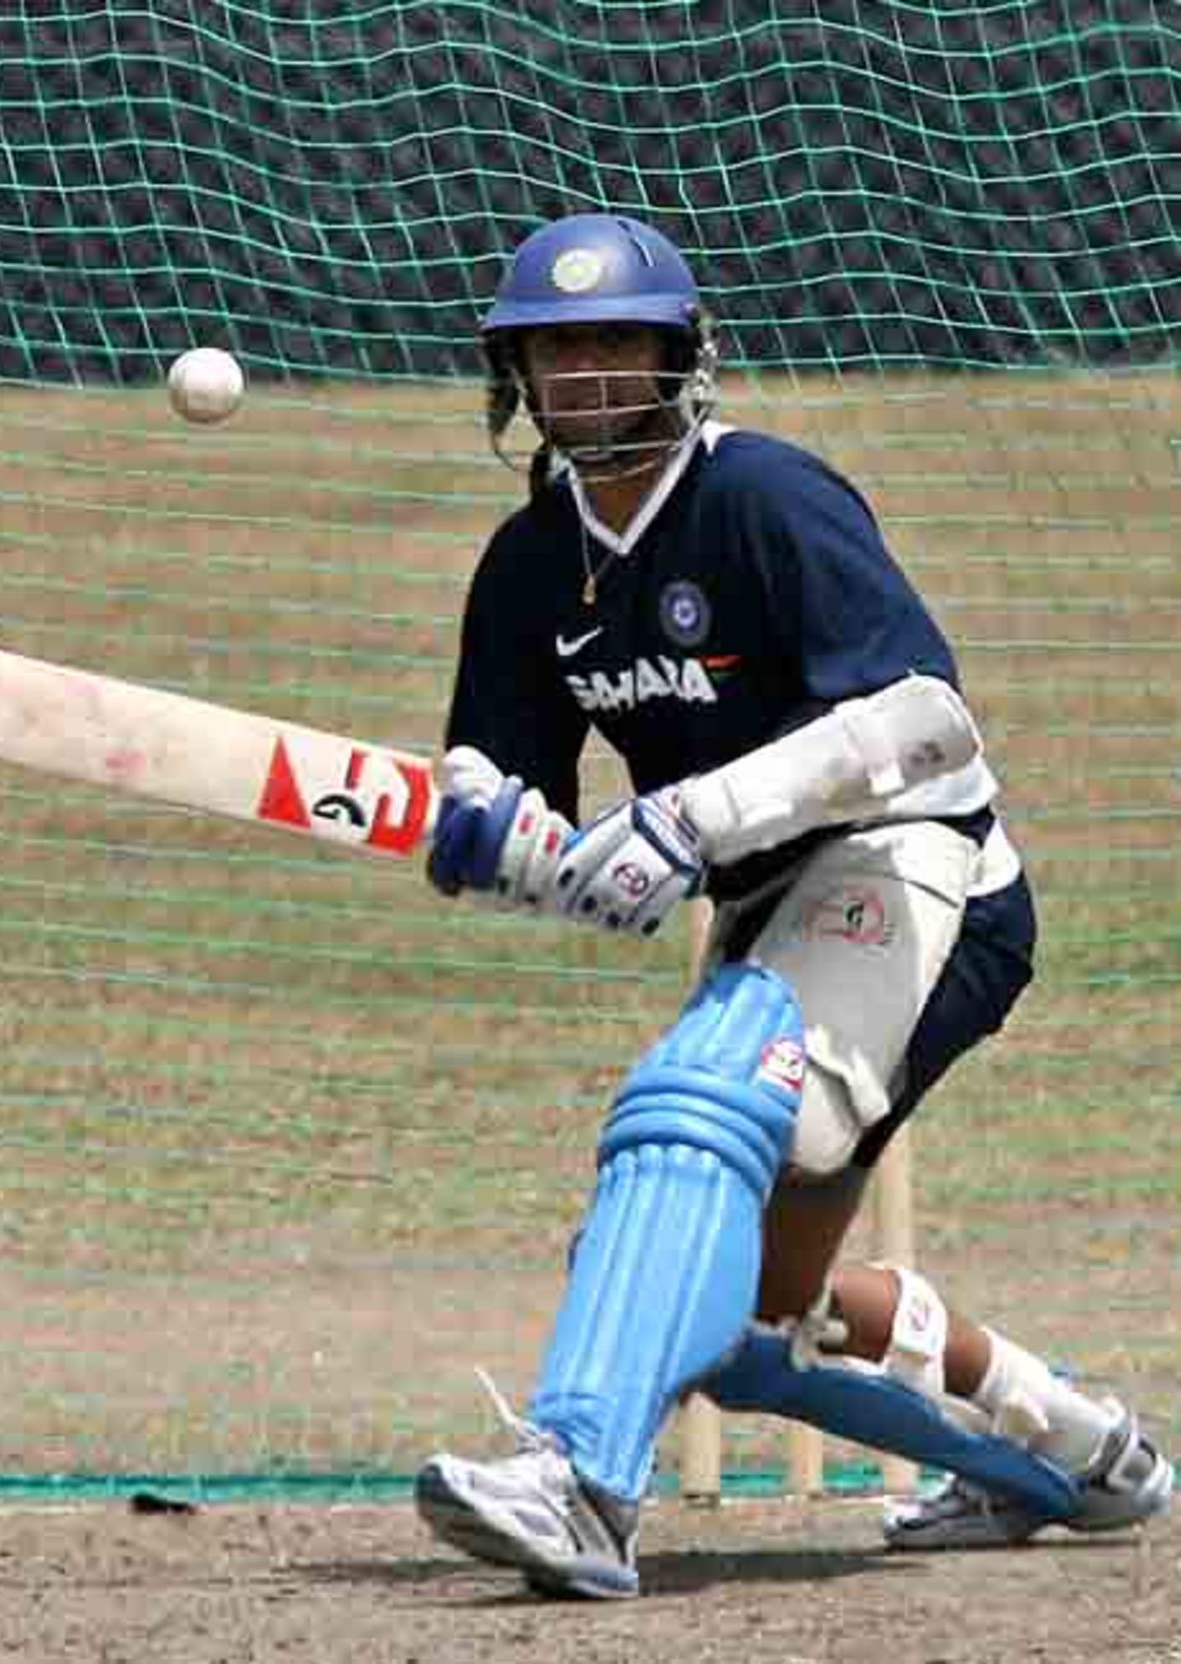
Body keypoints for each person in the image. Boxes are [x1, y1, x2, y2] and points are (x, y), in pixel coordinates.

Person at [411, 212, 1173, 1599]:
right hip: (773, 914)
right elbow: (510, 783)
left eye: (612, 342)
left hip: (919, 877)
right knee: (721, 1307)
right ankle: (1073, 1457)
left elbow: (928, 718)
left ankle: (582, 1480)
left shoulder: (765, 497)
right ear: (515, 374)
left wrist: (686, 822)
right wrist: (489, 825)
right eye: (553, 349)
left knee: (690, 1110)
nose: (583, 372)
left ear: (677, 357)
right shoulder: (528, 564)